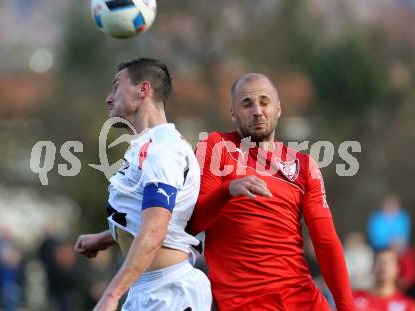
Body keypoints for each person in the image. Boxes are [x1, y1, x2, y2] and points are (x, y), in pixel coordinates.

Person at [189, 73, 353, 310]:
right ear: (233, 112)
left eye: (264, 102)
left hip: (303, 299)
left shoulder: (304, 166)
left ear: (278, 108)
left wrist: (347, 306)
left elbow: (325, 242)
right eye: (247, 104)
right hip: (246, 302)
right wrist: (227, 191)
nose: (257, 110)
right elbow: (195, 222)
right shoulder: (215, 147)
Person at [74, 58, 211, 311]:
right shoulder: (146, 147)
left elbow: (155, 230)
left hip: (169, 292)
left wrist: (112, 294)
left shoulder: (163, 150)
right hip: (148, 289)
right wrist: (106, 237)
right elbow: (150, 219)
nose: (109, 97)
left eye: (116, 86)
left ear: (143, 90)